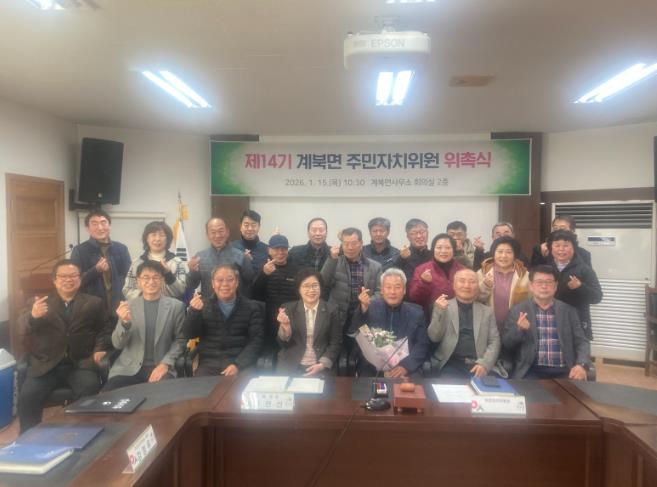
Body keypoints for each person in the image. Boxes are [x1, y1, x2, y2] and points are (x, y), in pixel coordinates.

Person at [18, 260, 112, 432]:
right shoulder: (39, 302)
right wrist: (33, 317)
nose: (69, 279)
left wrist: (99, 349)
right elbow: (22, 328)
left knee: (89, 389)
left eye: (73, 275)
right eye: (63, 276)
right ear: (54, 280)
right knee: (28, 395)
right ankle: (27, 438)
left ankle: (85, 433)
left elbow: (104, 329)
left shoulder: (94, 303)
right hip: (46, 365)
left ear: (80, 278)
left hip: (80, 364)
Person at [105, 261, 186, 390]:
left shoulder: (176, 307)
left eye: (156, 277)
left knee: (165, 395)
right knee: (109, 395)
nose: (151, 282)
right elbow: (117, 344)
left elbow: (180, 340)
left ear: (163, 280)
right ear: (138, 281)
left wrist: (166, 363)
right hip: (128, 369)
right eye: (146, 277)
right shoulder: (127, 306)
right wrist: (124, 323)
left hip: (160, 366)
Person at [502, 265, 591, 380]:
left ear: (555, 286)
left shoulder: (569, 311)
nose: (544, 286)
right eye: (539, 282)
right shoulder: (517, 310)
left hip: (564, 370)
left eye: (549, 282)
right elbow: (506, 344)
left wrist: (581, 364)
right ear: (531, 286)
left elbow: (582, 342)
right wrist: (519, 330)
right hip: (531, 371)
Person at [183, 265, 264, 376]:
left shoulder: (252, 307)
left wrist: (238, 365)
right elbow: (189, 334)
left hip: (241, 365)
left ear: (237, 282)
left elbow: (256, 341)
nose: (225, 284)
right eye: (220, 280)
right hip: (209, 364)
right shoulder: (203, 305)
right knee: (201, 385)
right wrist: (194, 312)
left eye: (230, 280)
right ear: (213, 283)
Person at [350, 268, 430, 377]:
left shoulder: (416, 313)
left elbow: (422, 345)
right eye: (388, 287)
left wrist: (406, 367)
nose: (392, 292)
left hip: (406, 368)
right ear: (382, 290)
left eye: (397, 287)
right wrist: (363, 308)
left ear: (404, 290)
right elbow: (355, 330)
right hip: (373, 368)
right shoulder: (369, 307)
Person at [427, 269, 500, 378]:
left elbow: (494, 341)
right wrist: (439, 312)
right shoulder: (443, 306)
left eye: (472, 282)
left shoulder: (487, 311)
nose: (467, 285)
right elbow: (434, 337)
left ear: (477, 286)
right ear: (454, 285)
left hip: (479, 364)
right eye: (462, 281)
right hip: (451, 364)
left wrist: (485, 364)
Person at [276, 269, 343, 375]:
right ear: (299, 289)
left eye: (315, 285)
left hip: (320, 364)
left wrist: (322, 364)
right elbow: (283, 344)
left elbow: (336, 342)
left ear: (320, 287)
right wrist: (285, 327)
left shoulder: (332, 309)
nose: (311, 290)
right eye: (306, 286)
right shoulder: (288, 309)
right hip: (291, 364)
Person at [321, 227, 382, 332]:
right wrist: (331, 260)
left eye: (354, 243)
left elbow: (380, 291)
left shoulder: (375, 267)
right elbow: (322, 283)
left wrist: (367, 302)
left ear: (361, 243)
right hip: (338, 316)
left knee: (362, 342)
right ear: (341, 245)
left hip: (364, 314)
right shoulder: (334, 262)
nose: (350, 247)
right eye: (346, 244)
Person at [71, 209, 131, 314]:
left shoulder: (121, 248)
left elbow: (129, 277)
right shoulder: (79, 250)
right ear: (88, 228)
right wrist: (95, 270)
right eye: (94, 224)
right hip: (91, 306)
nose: (100, 227)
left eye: (103, 223)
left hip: (118, 305)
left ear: (109, 225)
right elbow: (75, 281)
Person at [548, 230, 602, 340]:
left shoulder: (584, 270)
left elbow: (597, 297)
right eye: (557, 245)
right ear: (551, 248)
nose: (561, 249)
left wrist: (580, 287)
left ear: (573, 248)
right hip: (550, 322)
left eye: (566, 245)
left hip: (577, 323)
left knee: (578, 350)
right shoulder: (545, 269)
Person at [252, 235, 301, 349]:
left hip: (289, 318)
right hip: (267, 319)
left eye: (283, 249)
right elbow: (254, 294)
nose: (280, 252)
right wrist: (264, 275)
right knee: (269, 350)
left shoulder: (296, 270)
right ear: (269, 250)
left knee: (288, 348)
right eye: (276, 249)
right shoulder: (261, 267)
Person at [186, 217, 255, 298]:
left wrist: (248, 262)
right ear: (207, 235)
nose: (217, 235)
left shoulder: (240, 256)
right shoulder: (200, 257)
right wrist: (192, 271)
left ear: (227, 232)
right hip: (209, 304)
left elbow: (250, 282)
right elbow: (192, 285)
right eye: (213, 232)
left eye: (221, 231)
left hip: (234, 304)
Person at [476, 236, 530, 333]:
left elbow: (531, 302)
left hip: (516, 328)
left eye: (509, 252)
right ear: (493, 253)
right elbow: (475, 299)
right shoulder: (482, 273)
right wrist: (485, 286)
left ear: (514, 255)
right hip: (487, 328)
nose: (504, 256)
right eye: (500, 252)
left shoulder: (525, 276)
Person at [123, 221, 187, 301]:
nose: (157, 239)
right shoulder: (137, 263)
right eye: (153, 235)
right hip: (142, 306)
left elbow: (181, 291)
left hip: (169, 307)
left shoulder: (177, 262)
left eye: (162, 235)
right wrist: (147, 294)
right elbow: (127, 290)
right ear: (147, 239)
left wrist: (168, 274)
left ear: (167, 239)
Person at [408, 233, 465, 311]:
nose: (443, 251)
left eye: (448, 248)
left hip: (457, 314)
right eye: (439, 247)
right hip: (431, 314)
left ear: (454, 250)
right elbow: (414, 298)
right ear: (433, 249)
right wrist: (423, 282)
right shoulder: (422, 269)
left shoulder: (462, 270)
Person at [394, 218, 432, 284]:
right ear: (408, 236)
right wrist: (402, 259)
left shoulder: (434, 255)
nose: (419, 236)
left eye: (422, 232)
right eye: (413, 233)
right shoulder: (401, 256)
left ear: (428, 233)